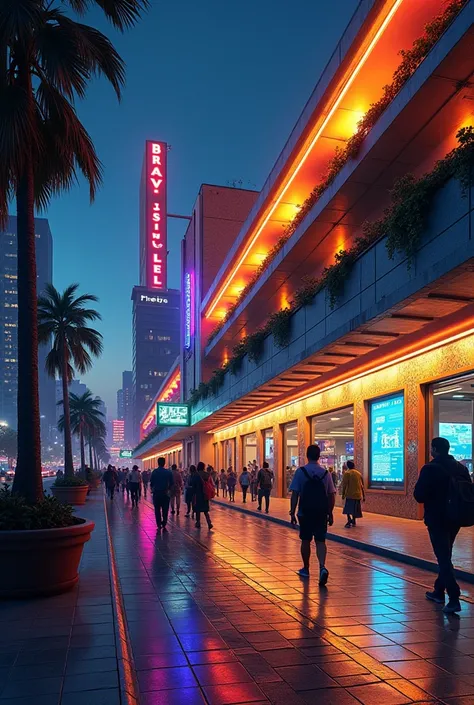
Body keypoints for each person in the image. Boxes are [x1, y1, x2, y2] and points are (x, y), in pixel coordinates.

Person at [414, 436, 472, 614]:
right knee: (445, 553)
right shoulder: (460, 468)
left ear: (435, 450)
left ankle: (454, 597)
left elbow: (419, 495)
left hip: (437, 519)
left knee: (443, 557)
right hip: (455, 517)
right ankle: (438, 591)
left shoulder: (430, 468)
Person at [289, 444, 336, 585]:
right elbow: (331, 495)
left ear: (307, 456)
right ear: (319, 456)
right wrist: (330, 512)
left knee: (305, 540)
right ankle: (322, 567)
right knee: (321, 541)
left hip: (305, 512)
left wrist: (292, 512)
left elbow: (295, 494)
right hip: (321, 512)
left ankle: (306, 568)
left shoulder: (300, 472)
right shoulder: (325, 473)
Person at [150, 457, 174, 530]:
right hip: (165, 493)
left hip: (156, 493)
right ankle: (164, 523)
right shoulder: (168, 472)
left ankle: (158, 524)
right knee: (165, 509)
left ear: (158, 463)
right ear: (164, 463)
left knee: (157, 509)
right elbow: (172, 483)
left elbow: (151, 483)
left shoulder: (154, 472)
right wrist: (168, 489)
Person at [341, 460, 365, 527]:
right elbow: (362, 485)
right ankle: (354, 520)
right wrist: (363, 495)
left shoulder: (347, 473)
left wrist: (343, 494)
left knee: (348, 509)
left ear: (348, 466)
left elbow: (344, 485)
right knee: (355, 508)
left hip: (350, 494)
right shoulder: (358, 473)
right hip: (357, 494)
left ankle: (349, 520)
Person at [191, 461, 213, 529]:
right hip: (205, 494)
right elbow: (211, 484)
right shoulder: (207, 474)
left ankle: (198, 522)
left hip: (198, 494)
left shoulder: (196, 475)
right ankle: (209, 523)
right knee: (205, 510)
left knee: (198, 509)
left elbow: (193, 485)